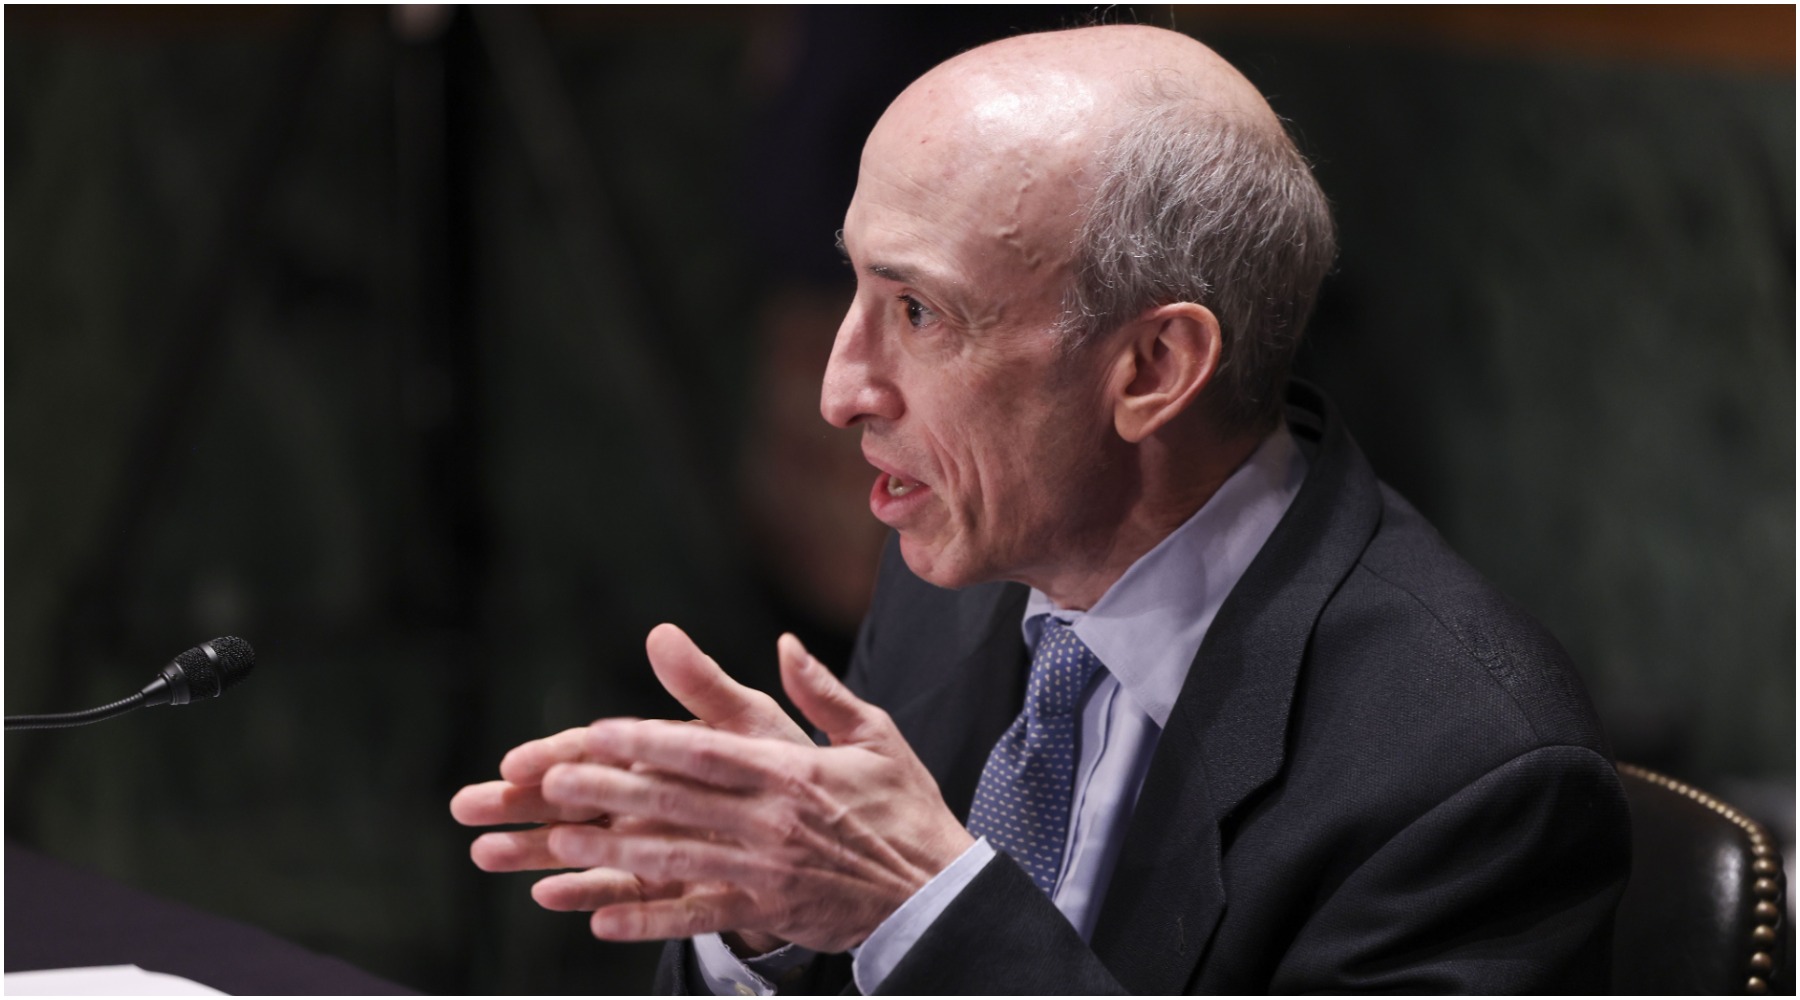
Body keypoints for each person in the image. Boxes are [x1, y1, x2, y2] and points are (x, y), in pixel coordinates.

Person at [451, 24, 1630, 994]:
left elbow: (922, 924)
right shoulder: (954, 571)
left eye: (919, 312)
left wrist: (924, 909)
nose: (840, 390)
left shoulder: (1468, 770)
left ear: (1153, 368)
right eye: (853, 284)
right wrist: (771, 916)